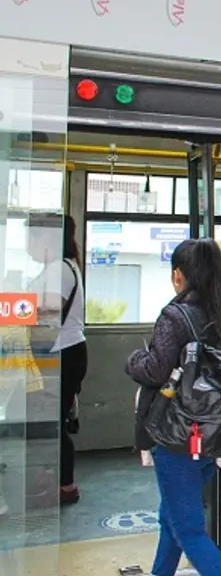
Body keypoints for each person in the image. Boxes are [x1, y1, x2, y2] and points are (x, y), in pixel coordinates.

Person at [125, 238, 221, 576]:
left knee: (189, 530)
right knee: (172, 519)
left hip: (175, 435)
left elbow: (155, 369)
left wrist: (134, 359)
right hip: (211, 437)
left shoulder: (176, 315)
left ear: (179, 276)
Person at [26, 213, 87, 505]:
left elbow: (46, 320)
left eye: (31, 236)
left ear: (47, 239)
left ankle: (62, 485)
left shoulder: (58, 271)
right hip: (62, 352)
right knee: (51, 421)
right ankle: (59, 483)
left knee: (49, 423)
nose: (28, 244)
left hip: (60, 354)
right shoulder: (55, 269)